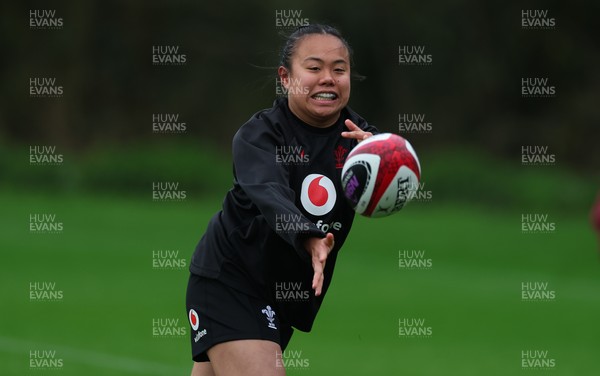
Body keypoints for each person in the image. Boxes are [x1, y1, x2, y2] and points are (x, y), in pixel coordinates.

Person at [186, 24, 378, 376]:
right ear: (286, 78)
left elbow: (396, 180)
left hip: (284, 293)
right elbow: (269, 190)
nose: (328, 78)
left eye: (339, 69)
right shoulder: (260, 135)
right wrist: (308, 236)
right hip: (231, 278)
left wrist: (381, 162)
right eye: (314, 67)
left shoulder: (361, 141)